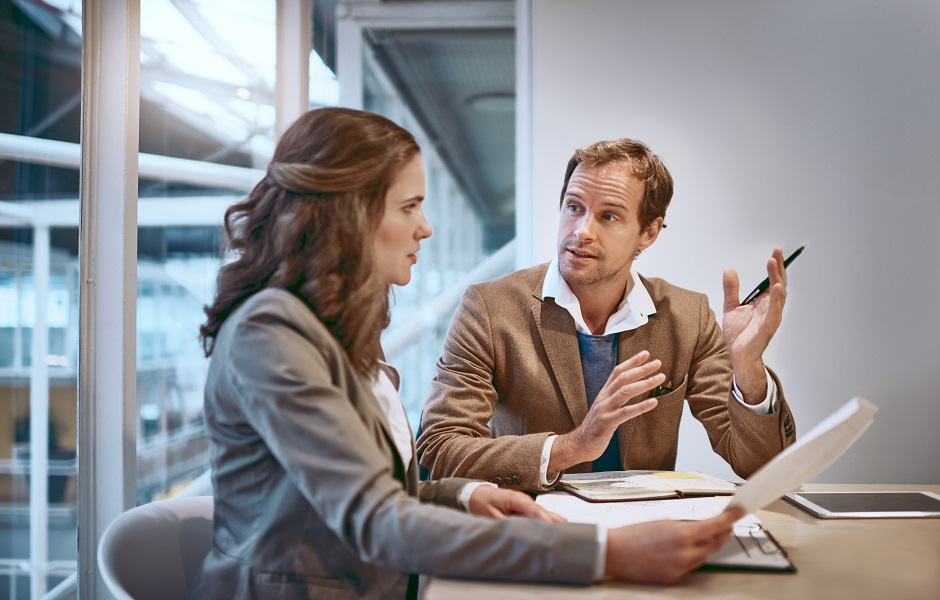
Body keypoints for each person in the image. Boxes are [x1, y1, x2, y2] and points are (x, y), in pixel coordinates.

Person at [184, 109, 744, 599]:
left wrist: (467, 495)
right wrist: (605, 552)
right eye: (410, 206)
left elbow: (375, 492)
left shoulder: (323, 329)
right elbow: (377, 518)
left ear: (650, 233)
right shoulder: (271, 334)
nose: (426, 228)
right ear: (349, 215)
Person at [417, 138, 797, 492]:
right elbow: (439, 448)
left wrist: (747, 369)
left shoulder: (687, 316)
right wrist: (572, 446)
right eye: (574, 207)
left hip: (644, 537)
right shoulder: (489, 307)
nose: (581, 231)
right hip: (533, 534)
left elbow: (760, 467)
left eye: (609, 216)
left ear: (649, 233)